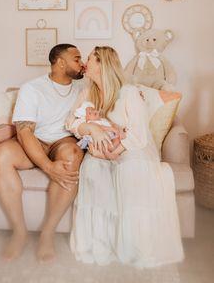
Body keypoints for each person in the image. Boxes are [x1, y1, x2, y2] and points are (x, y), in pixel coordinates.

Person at [66, 46, 184, 267]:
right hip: (102, 148)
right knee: (92, 169)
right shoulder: (87, 92)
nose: (85, 62)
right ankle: (100, 244)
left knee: (131, 169)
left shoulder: (128, 92)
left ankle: (136, 245)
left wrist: (115, 152)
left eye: (89, 59)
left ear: (101, 64)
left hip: (132, 147)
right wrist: (91, 128)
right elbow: (71, 122)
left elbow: (138, 133)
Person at [0, 44, 85, 262]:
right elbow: (24, 133)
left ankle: (47, 232)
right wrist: (48, 166)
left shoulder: (84, 90)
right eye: (77, 59)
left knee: (72, 156)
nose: (82, 64)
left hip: (63, 142)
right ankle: (19, 231)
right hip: (35, 140)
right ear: (61, 62)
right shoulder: (32, 88)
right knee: (1, 155)